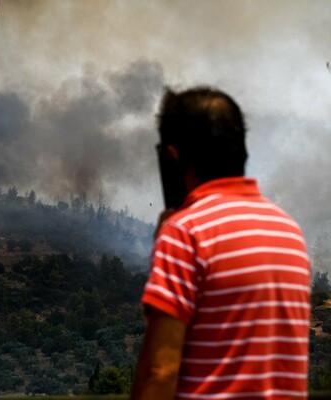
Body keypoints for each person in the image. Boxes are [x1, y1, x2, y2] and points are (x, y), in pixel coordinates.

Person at [131, 87, 310, 399]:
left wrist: (167, 239)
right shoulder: (288, 230)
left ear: (172, 158)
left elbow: (159, 373)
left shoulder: (185, 232)